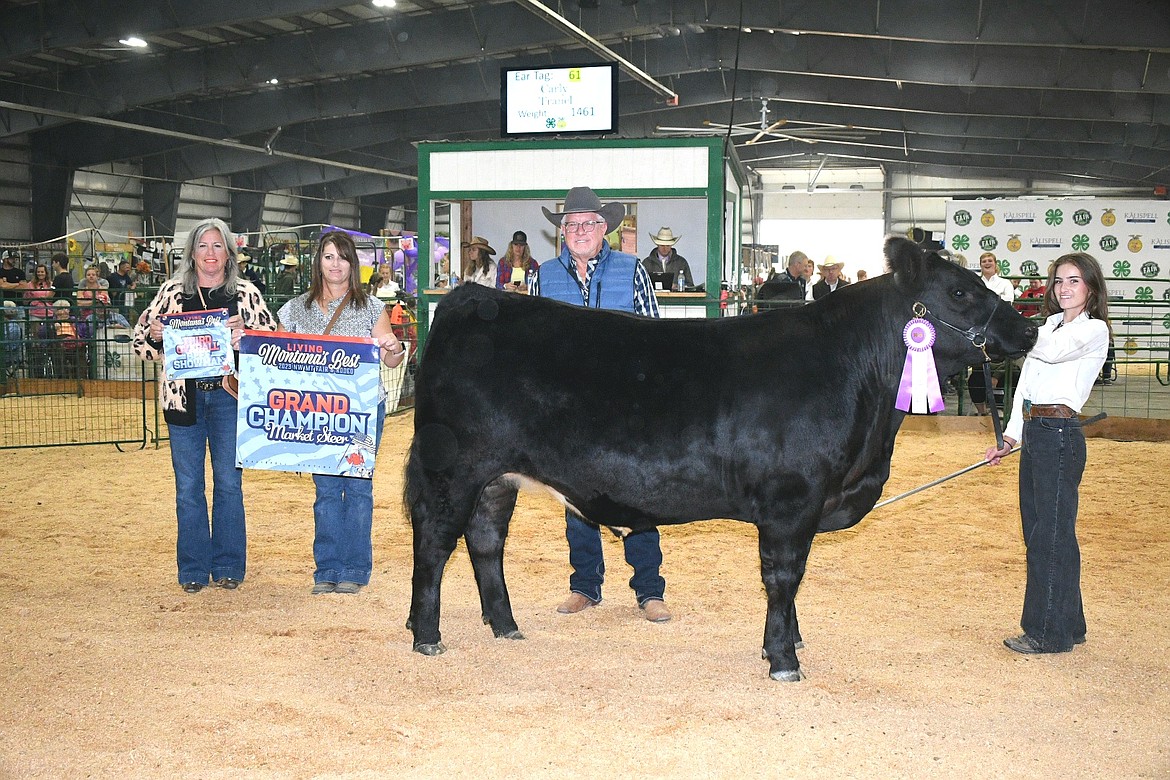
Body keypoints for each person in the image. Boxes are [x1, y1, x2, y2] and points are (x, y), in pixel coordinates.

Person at [529, 185, 671, 623]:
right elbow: (534, 346)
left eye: (588, 223)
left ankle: (649, 590)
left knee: (639, 497)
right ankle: (585, 586)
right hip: (569, 410)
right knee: (577, 499)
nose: (579, 231)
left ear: (604, 228)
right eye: (570, 224)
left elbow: (653, 337)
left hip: (626, 407)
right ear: (562, 232)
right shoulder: (542, 276)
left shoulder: (632, 271)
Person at [133, 218, 276, 594]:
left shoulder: (247, 294)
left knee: (229, 484)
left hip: (231, 399)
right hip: (184, 403)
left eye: (217, 246)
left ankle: (229, 565)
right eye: (203, 246)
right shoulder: (171, 292)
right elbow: (139, 343)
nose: (210, 254)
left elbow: (273, 345)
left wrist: (247, 337)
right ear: (191, 253)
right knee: (188, 487)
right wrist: (156, 334)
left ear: (229, 252)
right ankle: (193, 569)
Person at [984, 252, 1110, 655]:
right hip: (1036, 431)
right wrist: (1010, 437)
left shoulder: (1093, 330)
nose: (1064, 288)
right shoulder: (1050, 326)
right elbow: (1028, 385)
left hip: (1059, 434)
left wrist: (1004, 328)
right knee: (1045, 531)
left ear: (1091, 286)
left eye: (1073, 280)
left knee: (1049, 536)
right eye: (1058, 281)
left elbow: (1051, 353)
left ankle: (1047, 633)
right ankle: (1069, 623)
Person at [277, 231, 407, 595]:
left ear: (354, 264)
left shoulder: (370, 308)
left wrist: (394, 347)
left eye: (343, 257)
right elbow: (276, 356)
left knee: (358, 486)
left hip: (362, 410)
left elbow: (391, 359)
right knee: (326, 490)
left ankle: (354, 568)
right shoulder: (294, 309)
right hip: (316, 413)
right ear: (318, 261)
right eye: (329, 256)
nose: (336, 264)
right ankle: (326, 569)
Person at [967, 251, 1018, 415]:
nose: (987, 263)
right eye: (983, 261)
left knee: (1007, 369)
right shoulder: (975, 284)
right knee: (977, 373)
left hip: (1000, 331)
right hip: (978, 332)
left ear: (996, 264)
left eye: (990, 260)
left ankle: (1006, 410)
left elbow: (1007, 303)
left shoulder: (1005, 283)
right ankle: (981, 411)